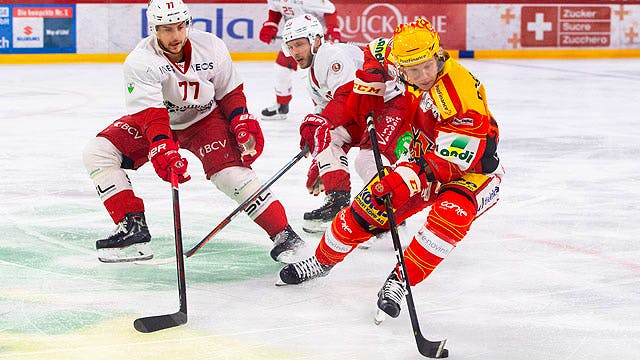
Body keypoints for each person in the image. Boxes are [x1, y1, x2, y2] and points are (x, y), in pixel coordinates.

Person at [276, 18, 503, 323]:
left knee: (450, 215)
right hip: (423, 154)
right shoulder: (397, 55)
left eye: (426, 66)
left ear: (437, 56)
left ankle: (400, 281)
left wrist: (405, 179)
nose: (422, 75)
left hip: (473, 172)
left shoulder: (459, 94)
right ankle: (321, 261)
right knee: (368, 207)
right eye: (412, 69)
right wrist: (370, 78)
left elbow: (454, 160)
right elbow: (372, 50)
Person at [82, 0, 304, 263]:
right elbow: (151, 115)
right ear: (153, 28)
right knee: (99, 151)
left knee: (232, 176)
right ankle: (133, 228)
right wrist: (162, 146)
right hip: (161, 123)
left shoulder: (210, 46)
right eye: (166, 29)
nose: (175, 36)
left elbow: (229, 92)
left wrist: (241, 120)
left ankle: (285, 235)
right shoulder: (141, 60)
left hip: (205, 119)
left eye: (180, 26)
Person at [280, 14, 412, 234]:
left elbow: (347, 95)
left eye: (300, 44)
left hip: (390, 106)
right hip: (362, 110)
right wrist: (319, 160)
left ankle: (391, 213)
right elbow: (324, 116)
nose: (295, 52)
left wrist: (321, 125)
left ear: (316, 40)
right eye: (290, 46)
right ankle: (337, 202)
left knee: (367, 159)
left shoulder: (331, 55)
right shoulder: (311, 76)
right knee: (326, 137)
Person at [257, 0, 341, 121]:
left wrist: (333, 30)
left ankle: (323, 109)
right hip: (293, 41)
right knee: (281, 70)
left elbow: (330, 10)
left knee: (311, 77)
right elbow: (276, 9)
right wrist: (271, 24)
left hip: (312, 43)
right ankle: (281, 106)